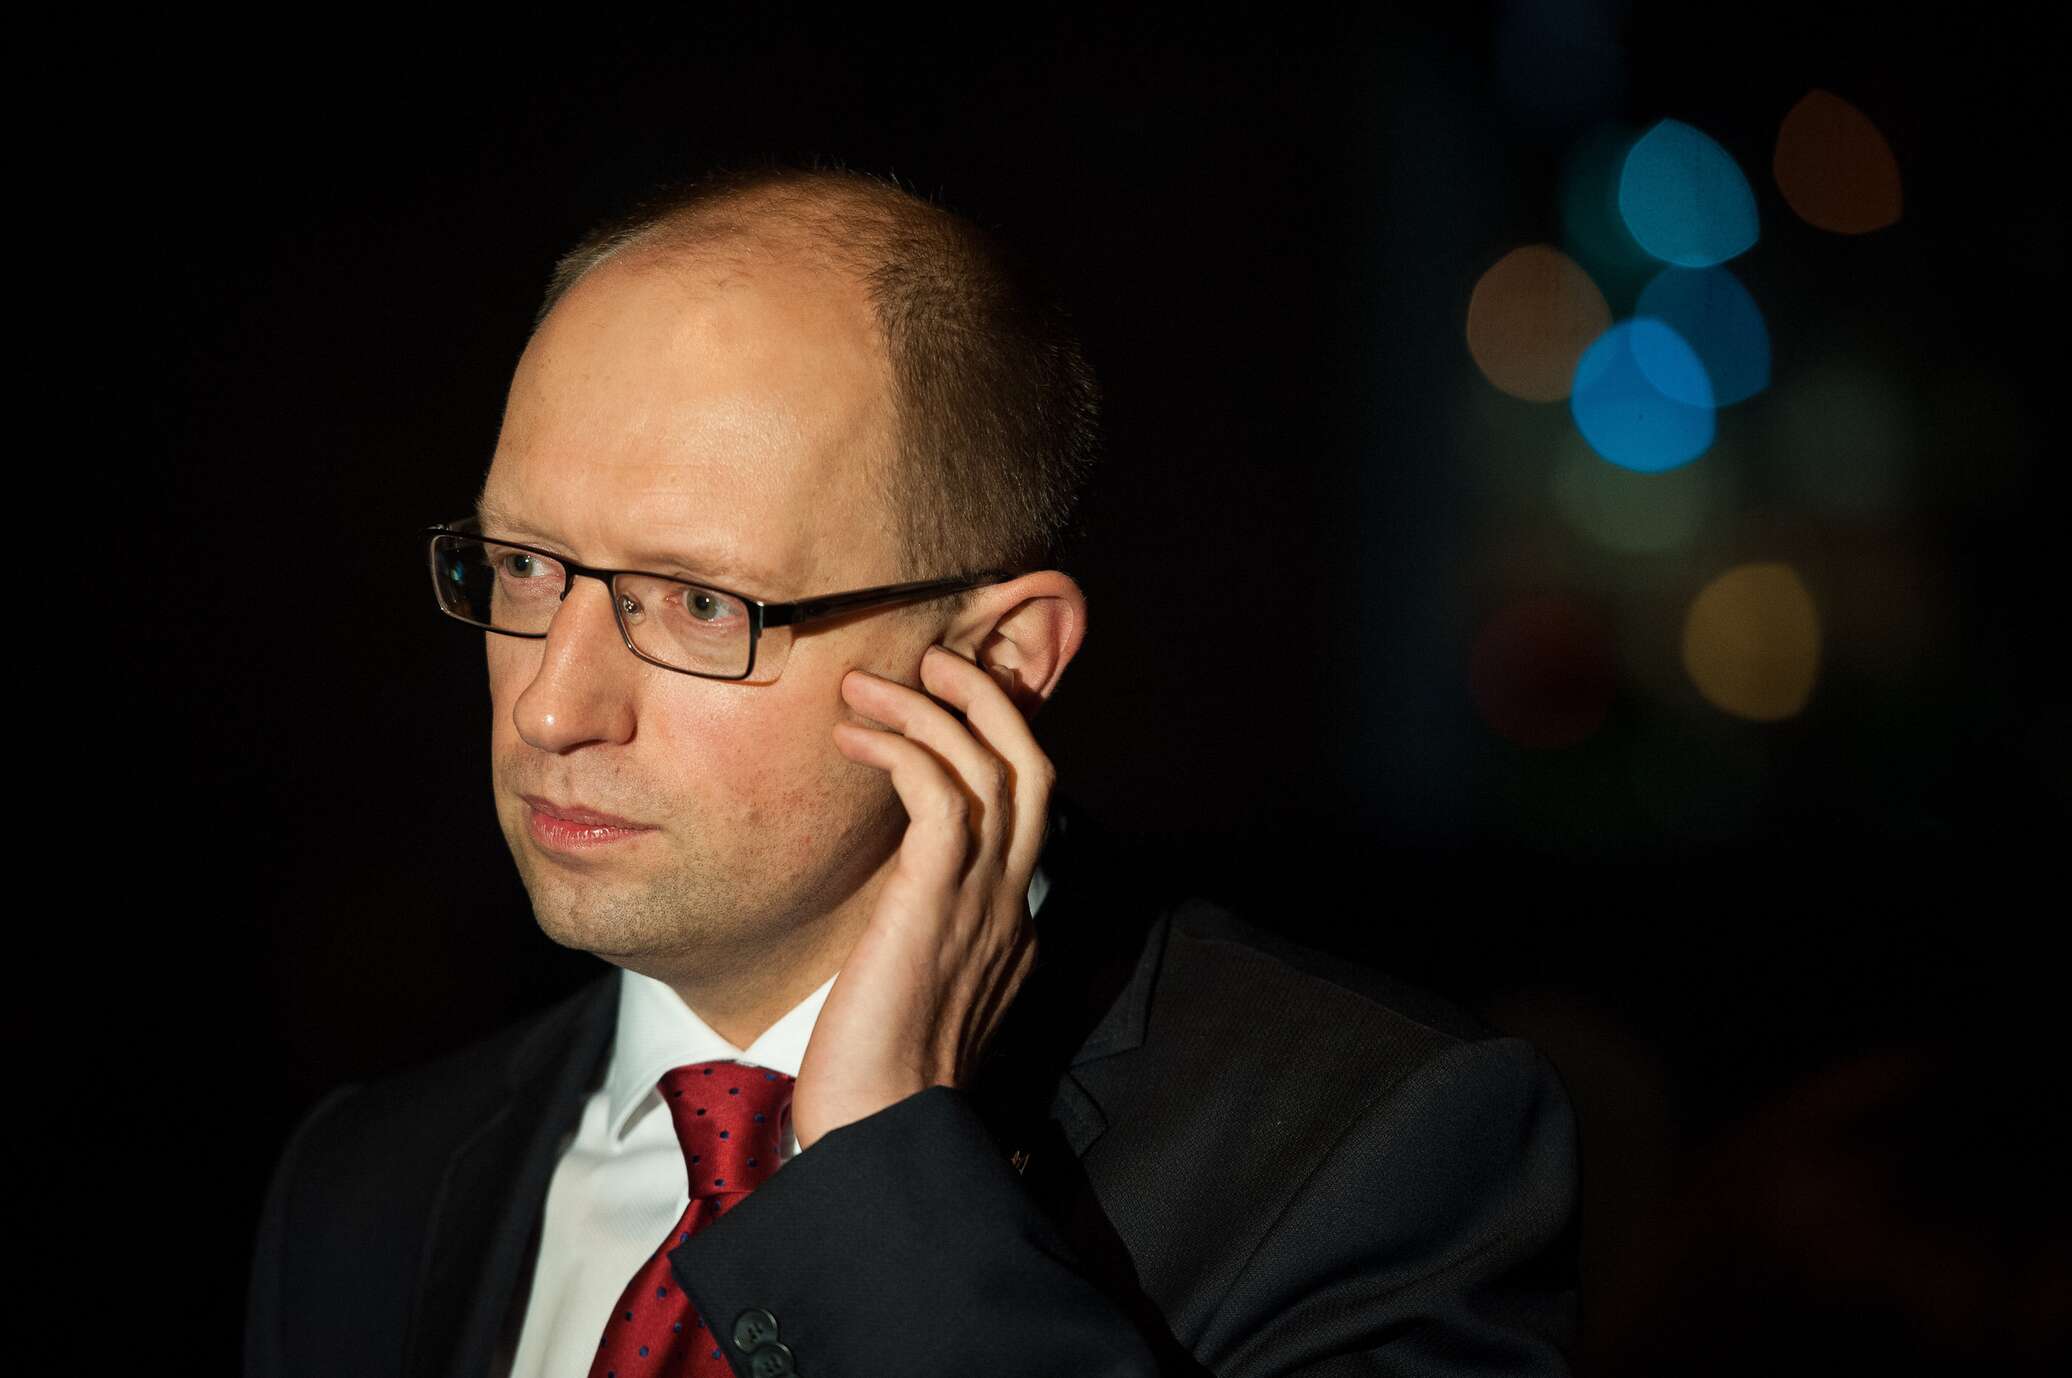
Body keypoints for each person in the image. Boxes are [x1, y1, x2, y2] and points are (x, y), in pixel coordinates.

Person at [243, 164, 1581, 1378]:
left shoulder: (1370, 1155)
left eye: (701, 605)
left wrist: (882, 1161)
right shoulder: (367, 1184)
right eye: (525, 568)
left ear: (997, 657)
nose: (551, 706)